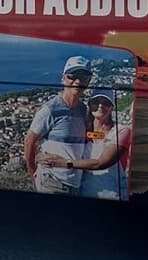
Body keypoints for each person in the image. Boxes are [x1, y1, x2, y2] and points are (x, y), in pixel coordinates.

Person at [23, 55, 97, 194]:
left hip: (75, 182)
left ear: (88, 81)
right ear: (63, 78)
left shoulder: (83, 110)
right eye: (72, 76)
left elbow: (87, 137)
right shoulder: (50, 109)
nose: (77, 81)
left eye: (83, 77)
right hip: (52, 181)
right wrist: (32, 171)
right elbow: (29, 140)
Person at [68, 93, 134, 200]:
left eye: (105, 103)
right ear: (89, 105)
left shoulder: (121, 131)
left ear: (112, 107)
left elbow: (101, 162)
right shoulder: (81, 130)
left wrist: (64, 163)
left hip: (113, 195)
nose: (100, 106)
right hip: (83, 195)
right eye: (96, 103)